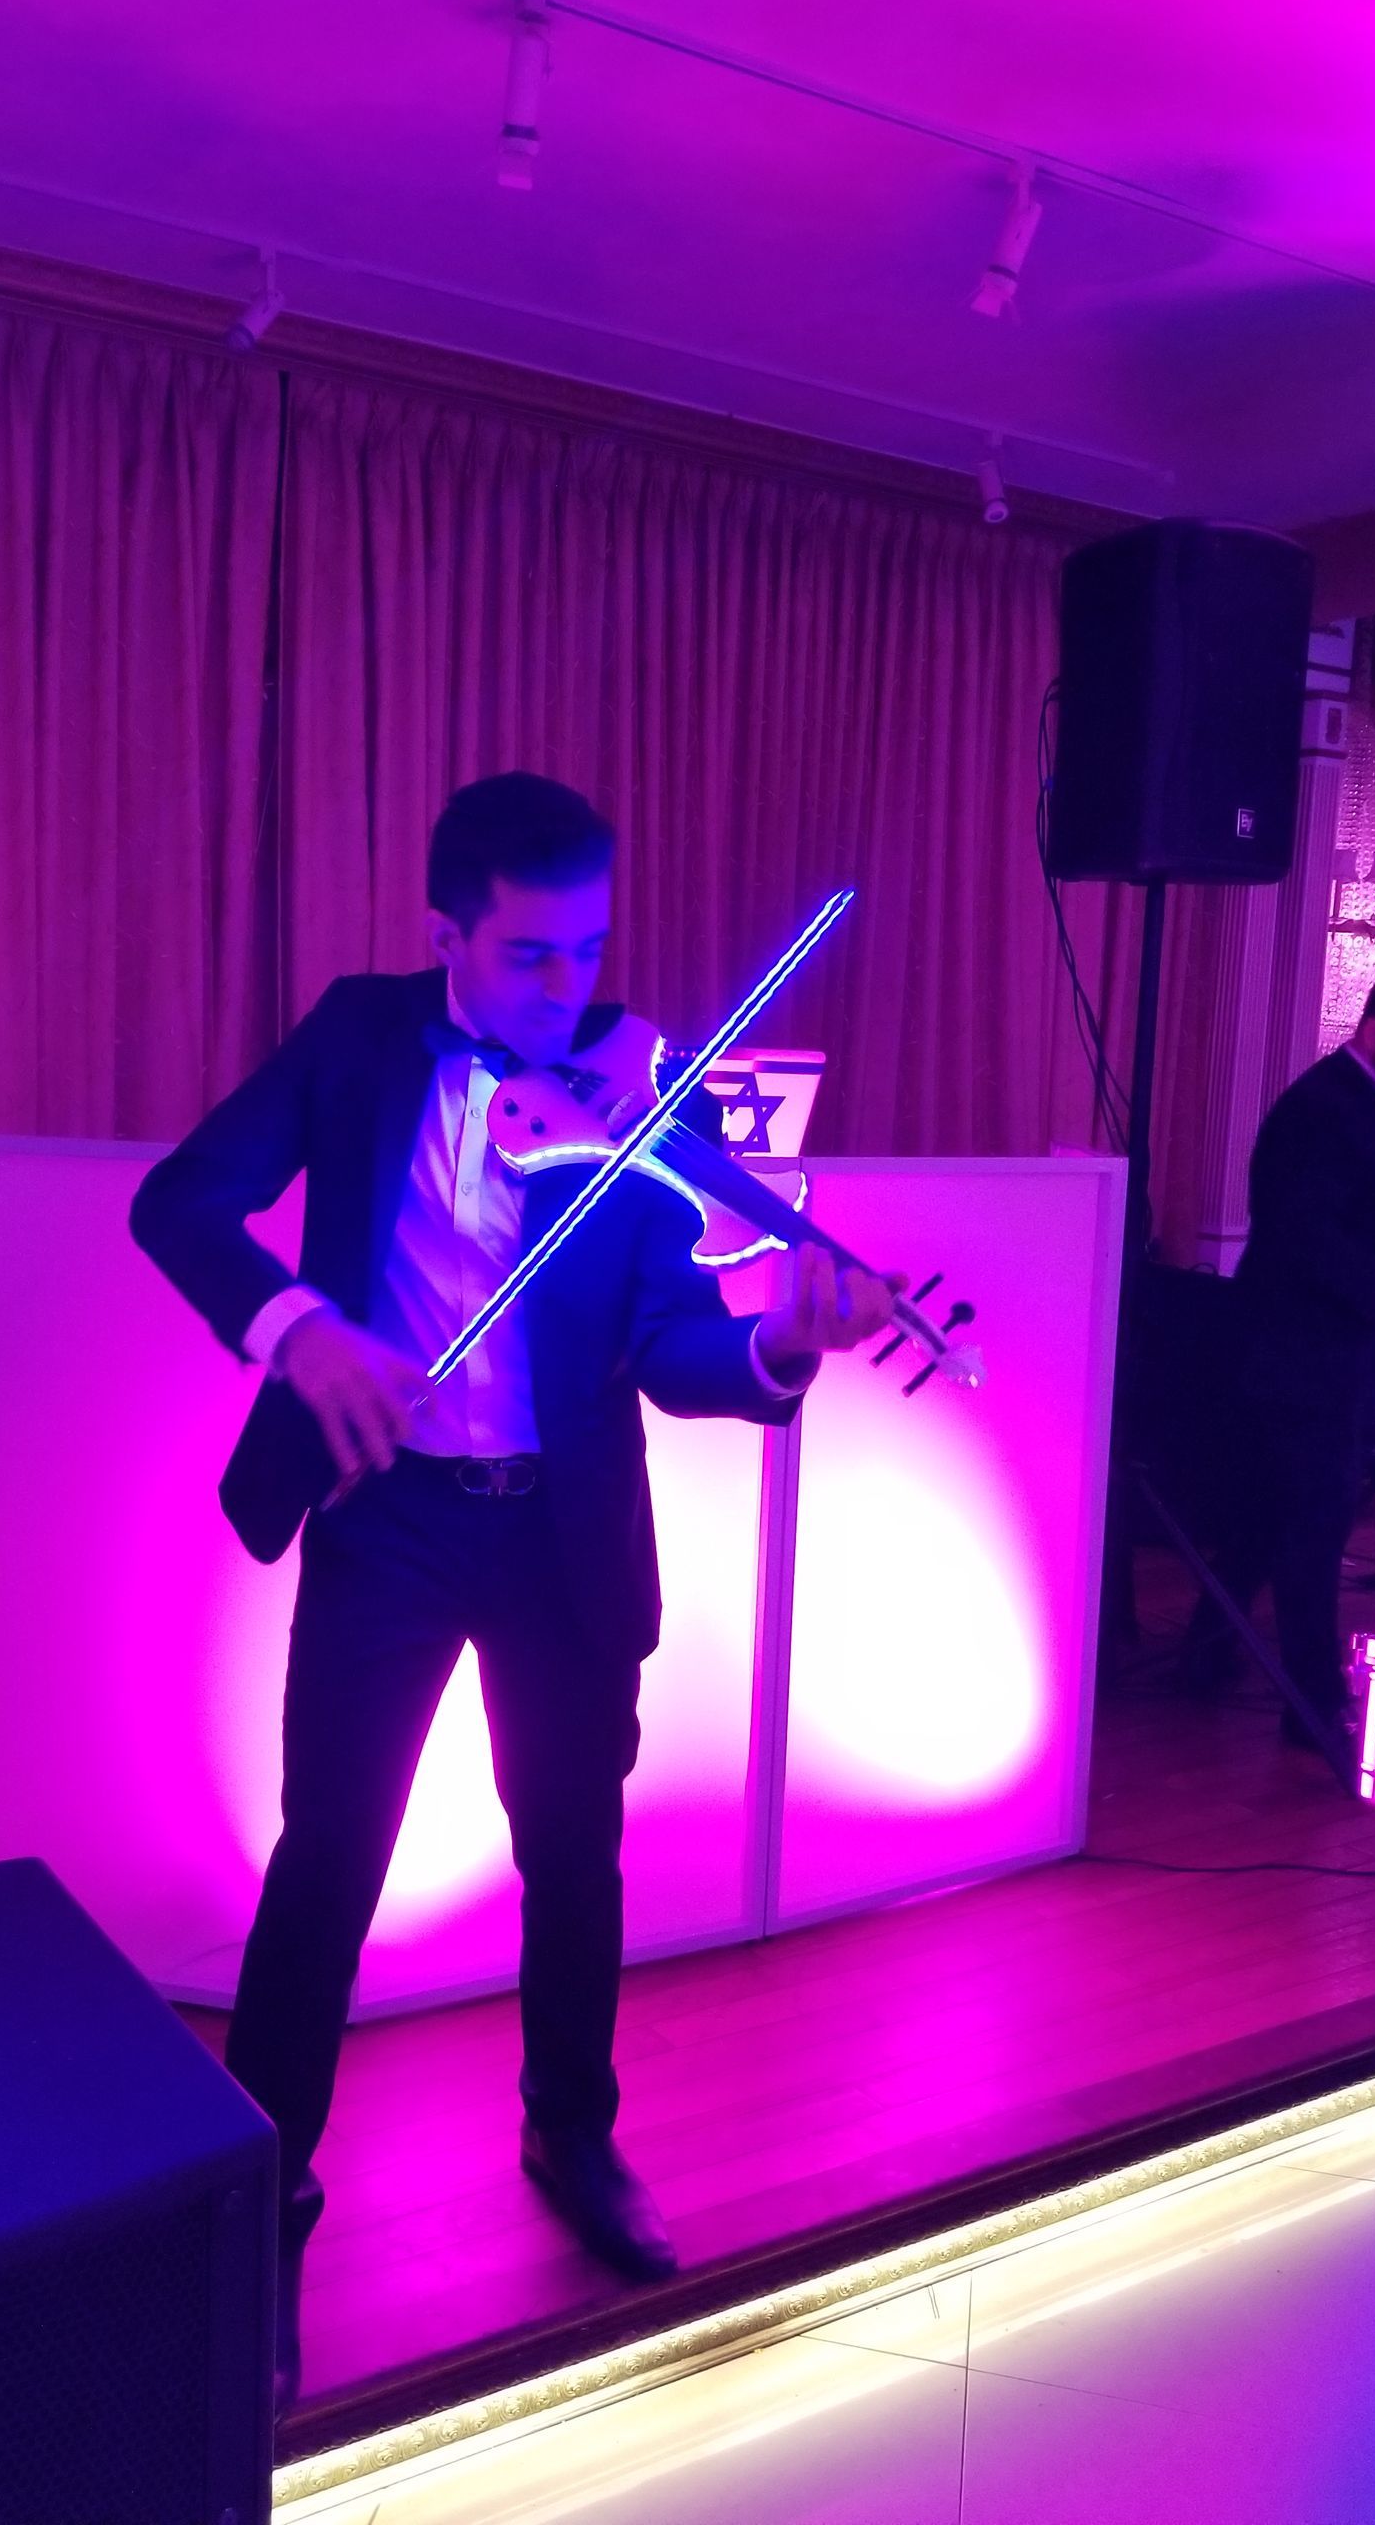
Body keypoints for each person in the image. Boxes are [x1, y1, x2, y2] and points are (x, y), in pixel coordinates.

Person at [130, 772, 895, 2413]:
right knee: (330, 1858)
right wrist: (296, 1327)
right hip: (390, 1514)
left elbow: (670, 1342)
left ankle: (574, 2132)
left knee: (574, 1852)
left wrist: (778, 1342)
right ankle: (265, 2200)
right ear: (448, 939)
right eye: (535, 960)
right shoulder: (355, 1037)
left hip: (561, 1531)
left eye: (592, 953)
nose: (575, 996)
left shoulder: (638, 1093)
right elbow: (178, 1200)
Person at [1194, 965, 1375, 1772]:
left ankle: (1206, 1654)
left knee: (1268, 1517)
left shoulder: (1367, 1099)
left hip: (1321, 1357)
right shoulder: (1326, 1110)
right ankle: (1313, 1707)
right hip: (1309, 1360)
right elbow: (1308, 1242)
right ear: (1373, 1030)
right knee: (1313, 1531)